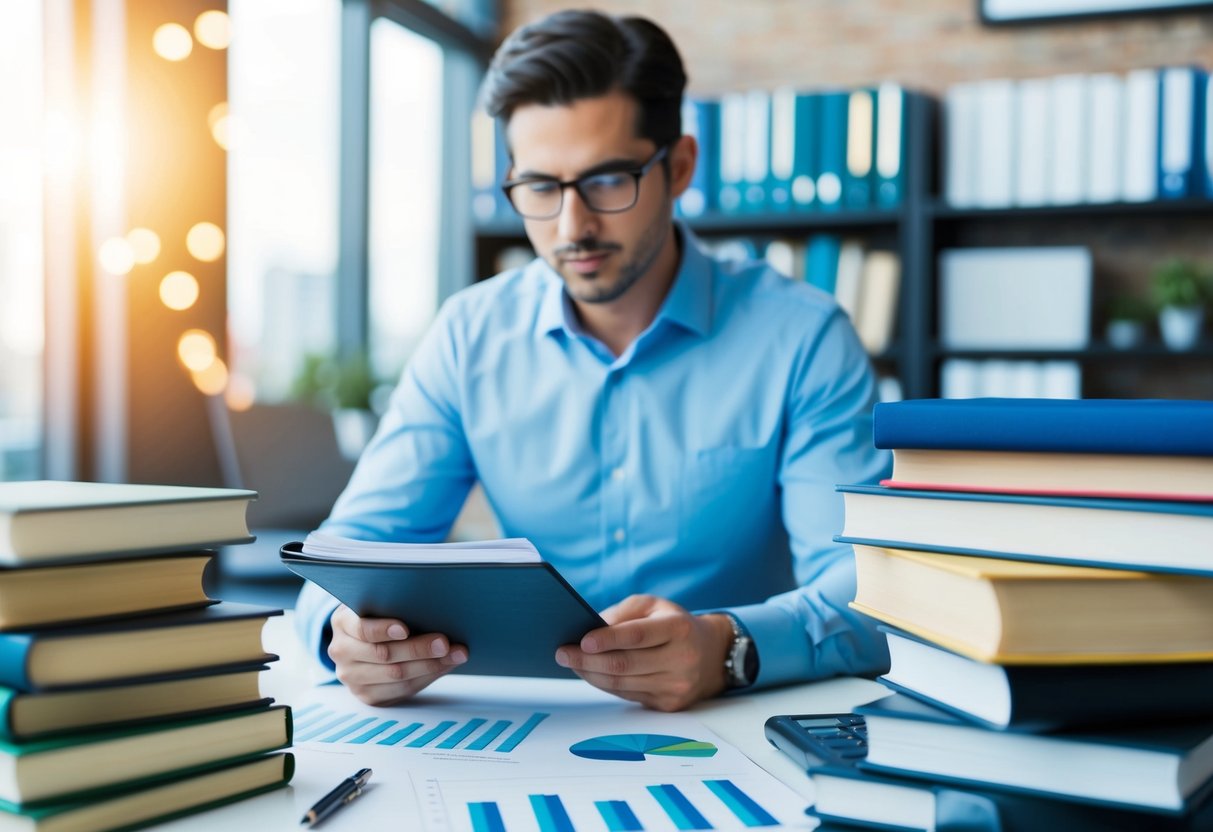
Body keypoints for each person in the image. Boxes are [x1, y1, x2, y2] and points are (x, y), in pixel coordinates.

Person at [296, 8, 891, 712]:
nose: (572, 227)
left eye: (606, 181)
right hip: (520, 731)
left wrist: (728, 647)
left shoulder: (802, 338)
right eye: (541, 188)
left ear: (678, 168)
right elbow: (348, 555)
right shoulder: (468, 336)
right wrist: (343, 636)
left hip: (737, 726)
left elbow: (871, 594)